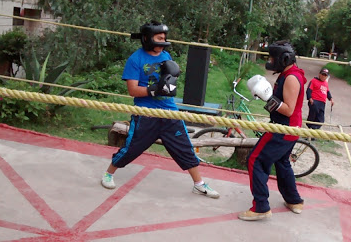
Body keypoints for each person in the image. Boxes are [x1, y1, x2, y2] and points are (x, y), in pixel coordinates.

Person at [100, 20, 219, 199]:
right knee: (131, 148)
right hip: (145, 114)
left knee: (185, 148)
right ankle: (109, 173)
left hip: (169, 112)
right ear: (148, 38)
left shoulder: (166, 56)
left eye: (165, 38)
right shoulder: (135, 59)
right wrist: (153, 90)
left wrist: (169, 85)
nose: (163, 41)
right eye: (159, 38)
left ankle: (199, 184)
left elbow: (169, 85)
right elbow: (132, 90)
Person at [239, 41, 307, 221]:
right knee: (282, 162)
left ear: (283, 58)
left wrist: (268, 97)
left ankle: (261, 206)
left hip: (284, 130)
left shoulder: (291, 77)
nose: (270, 61)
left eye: (272, 58)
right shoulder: (289, 73)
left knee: (256, 160)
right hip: (288, 128)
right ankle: (294, 200)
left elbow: (288, 109)